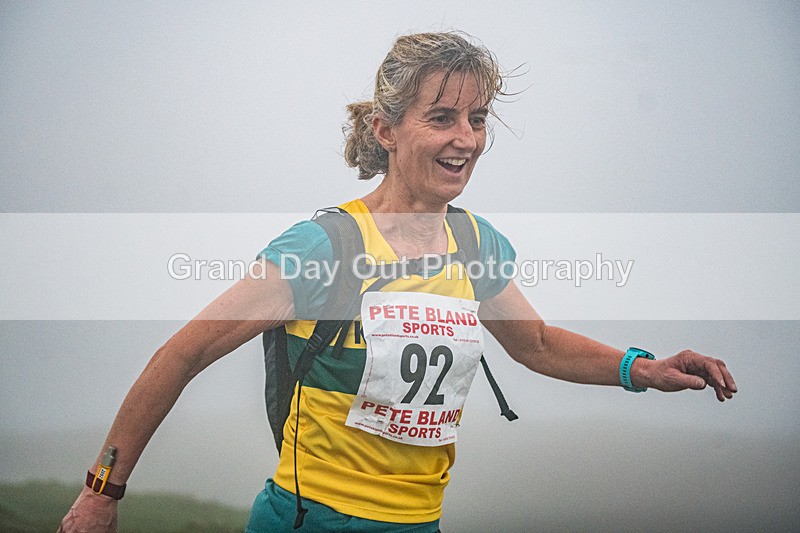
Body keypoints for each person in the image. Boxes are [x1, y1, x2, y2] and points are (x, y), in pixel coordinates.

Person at [58, 31, 737, 533]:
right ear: (384, 129)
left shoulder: (474, 242)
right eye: (442, 117)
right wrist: (101, 491)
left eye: (477, 119)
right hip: (308, 519)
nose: (465, 139)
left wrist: (642, 369)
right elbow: (184, 353)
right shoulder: (325, 246)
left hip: (420, 522)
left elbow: (534, 343)